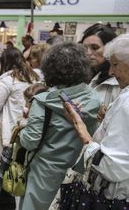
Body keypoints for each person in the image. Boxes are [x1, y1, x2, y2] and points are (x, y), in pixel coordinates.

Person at [18, 43, 100, 210]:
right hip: (78, 172)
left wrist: (22, 126)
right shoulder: (94, 98)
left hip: (45, 173)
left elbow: (30, 141)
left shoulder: (43, 102)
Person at [63, 34, 129, 204]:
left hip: (115, 197)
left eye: (115, 65)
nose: (111, 72)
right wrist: (108, 121)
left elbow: (111, 166)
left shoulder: (126, 102)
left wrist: (81, 129)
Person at [0, 48, 40, 209]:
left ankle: (2, 204)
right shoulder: (34, 77)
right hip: (23, 131)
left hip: (6, 136)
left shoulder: (8, 80)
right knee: (14, 172)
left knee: (2, 174)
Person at [80, 23, 121, 107]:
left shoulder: (119, 80)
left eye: (95, 47)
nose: (88, 53)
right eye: (84, 48)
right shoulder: (82, 76)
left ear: (110, 48)